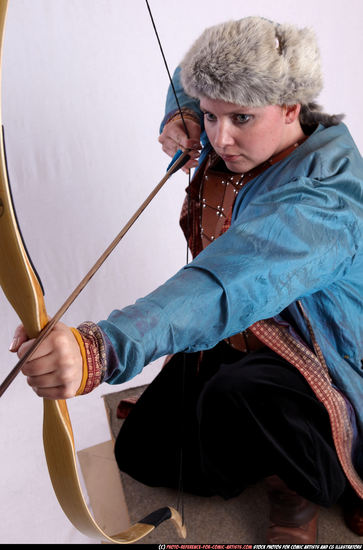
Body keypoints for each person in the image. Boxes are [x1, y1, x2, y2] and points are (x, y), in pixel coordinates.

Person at [10, 16, 363, 543]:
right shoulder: (239, 119)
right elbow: (189, 75)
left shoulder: (322, 201)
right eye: (212, 115)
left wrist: (101, 348)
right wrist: (181, 109)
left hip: (324, 361)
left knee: (241, 394)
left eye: (241, 117)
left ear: (291, 107)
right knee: (143, 454)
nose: (221, 137)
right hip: (249, 334)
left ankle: (301, 488)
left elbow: (225, 284)